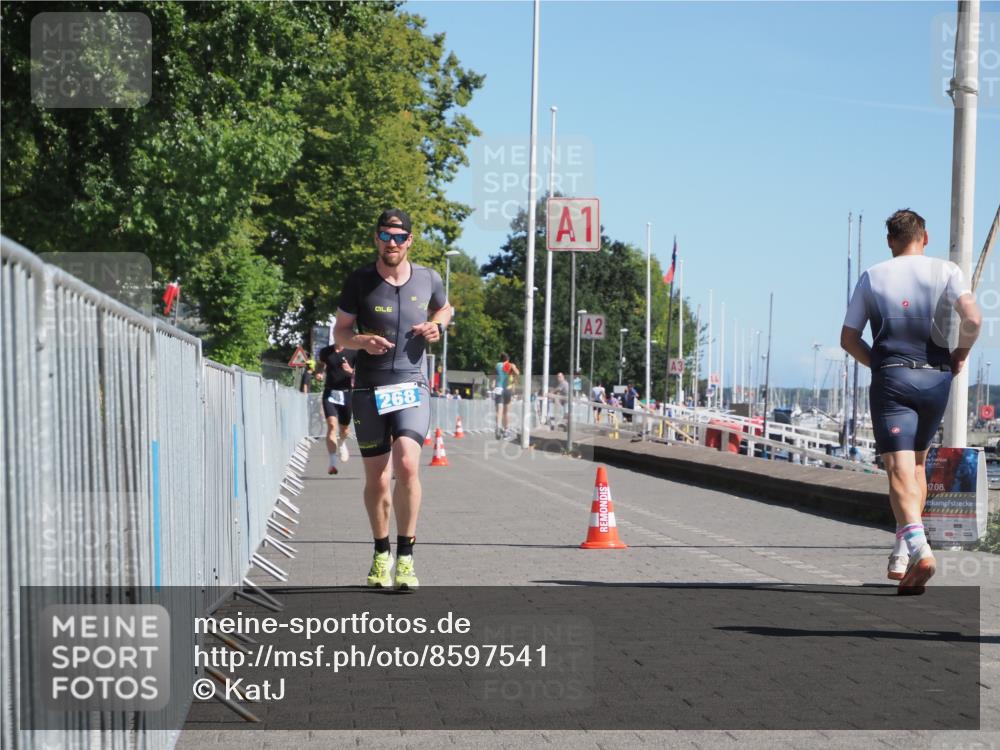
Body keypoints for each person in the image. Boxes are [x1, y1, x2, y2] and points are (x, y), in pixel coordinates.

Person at [841, 209, 981, 595]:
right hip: (936, 378)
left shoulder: (873, 276)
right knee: (918, 464)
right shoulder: (947, 271)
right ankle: (901, 554)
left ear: (890, 240)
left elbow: (849, 338)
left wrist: (880, 366)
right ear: (926, 237)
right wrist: (960, 353)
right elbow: (973, 318)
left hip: (894, 378)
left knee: (898, 469)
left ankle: (920, 550)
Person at [334, 208, 451, 591]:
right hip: (369, 388)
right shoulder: (360, 281)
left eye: (399, 238)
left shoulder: (428, 278)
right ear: (377, 239)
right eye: (386, 236)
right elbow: (341, 332)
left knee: (407, 464)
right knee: (378, 481)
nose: (392, 244)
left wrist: (437, 325)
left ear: (410, 241)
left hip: (411, 384)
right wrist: (361, 341)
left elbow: (445, 308)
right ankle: (380, 551)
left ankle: (405, 556)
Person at [317, 341, 356, 475]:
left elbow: (362, 373)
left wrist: (350, 371)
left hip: (346, 393)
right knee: (332, 426)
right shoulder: (325, 351)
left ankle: (342, 443)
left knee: (344, 429)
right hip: (330, 392)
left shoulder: (353, 351)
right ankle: (333, 463)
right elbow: (320, 364)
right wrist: (319, 373)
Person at [493, 352, 521, 439]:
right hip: (507, 389)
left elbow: (495, 375)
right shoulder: (510, 365)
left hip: (498, 389)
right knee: (506, 412)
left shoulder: (497, 365)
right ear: (508, 359)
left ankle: (498, 427)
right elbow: (517, 373)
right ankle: (506, 431)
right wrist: (513, 368)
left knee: (499, 411)